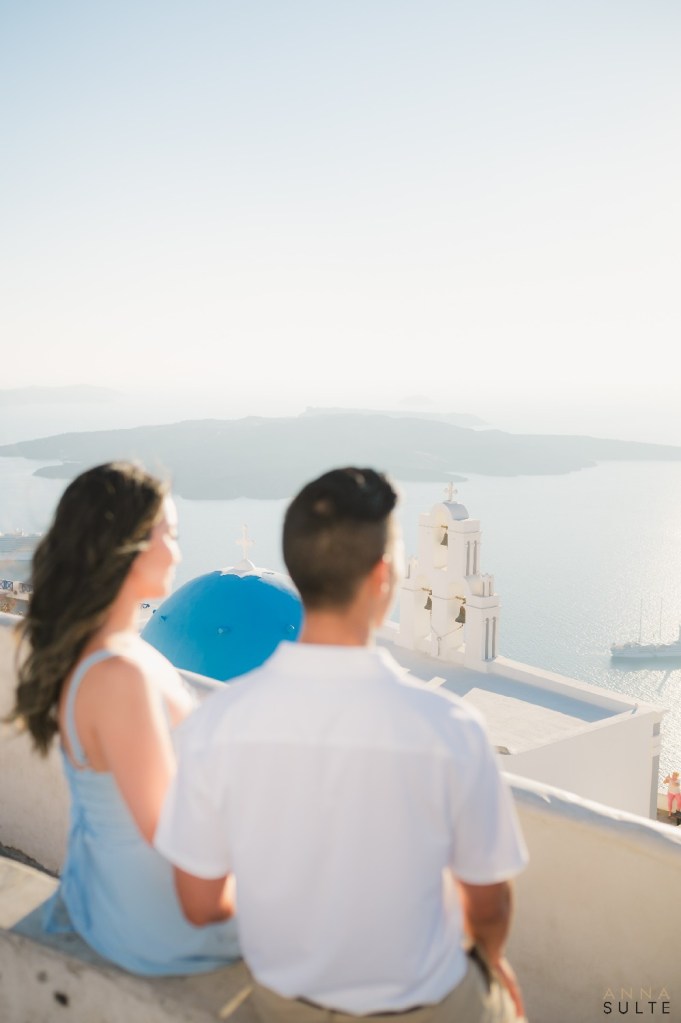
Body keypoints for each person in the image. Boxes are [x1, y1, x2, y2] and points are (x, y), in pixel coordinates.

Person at [155, 466, 528, 1020]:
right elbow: (490, 908)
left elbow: (199, 901)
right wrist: (490, 965)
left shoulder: (216, 725)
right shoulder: (450, 728)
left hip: (286, 1004)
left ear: (299, 574)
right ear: (383, 577)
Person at [8, 461, 240, 974]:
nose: (179, 552)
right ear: (128, 546)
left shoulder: (102, 650)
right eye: (171, 536)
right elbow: (172, 837)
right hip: (154, 922)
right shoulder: (119, 677)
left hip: (111, 900)